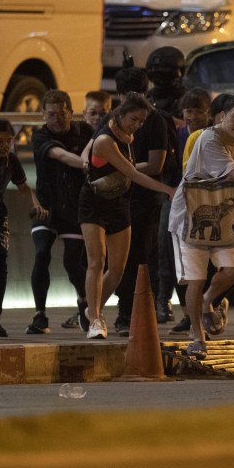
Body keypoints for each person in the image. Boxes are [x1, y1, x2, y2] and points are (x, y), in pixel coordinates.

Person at [79, 92, 176, 339]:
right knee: (97, 260)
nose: (138, 125)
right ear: (120, 114)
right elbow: (133, 173)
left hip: (120, 203)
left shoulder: (128, 135)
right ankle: (96, 321)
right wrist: (167, 189)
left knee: (119, 270)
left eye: (142, 121)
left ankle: (92, 309)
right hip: (94, 202)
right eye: (134, 119)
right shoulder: (105, 140)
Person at [168, 95, 234, 359]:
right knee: (195, 279)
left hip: (224, 216)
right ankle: (198, 336)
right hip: (191, 215)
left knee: (232, 269)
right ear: (222, 116)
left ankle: (207, 300)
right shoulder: (209, 139)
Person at [109, 67, 174, 336]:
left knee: (141, 257)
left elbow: (156, 163)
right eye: (128, 96)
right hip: (116, 197)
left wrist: (123, 167)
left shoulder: (155, 120)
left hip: (146, 200)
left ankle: (132, 313)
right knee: (115, 260)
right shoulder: (112, 121)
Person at [30, 90, 94, 334]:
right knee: (41, 253)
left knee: (72, 263)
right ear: (43, 115)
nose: (56, 119)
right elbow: (62, 156)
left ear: (71, 112)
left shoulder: (85, 133)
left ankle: (83, 302)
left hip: (75, 208)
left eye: (61, 114)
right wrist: (89, 165)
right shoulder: (40, 137)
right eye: (51, 114)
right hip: (47, 207)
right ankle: (40, 314)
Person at [0, 118, 47, 337]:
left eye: (9, 140)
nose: (4, 145)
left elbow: (24, 187)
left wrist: (35, 204)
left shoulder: (11, 161)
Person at [156, 88, 211, 325]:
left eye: (199, 111)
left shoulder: (210, 136)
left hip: (202, 201)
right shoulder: (176, 134)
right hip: (175, 197)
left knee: (197, 259)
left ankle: (196, 312)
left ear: (207, 113)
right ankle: (166, 302)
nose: (193, 116)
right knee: (166, 248)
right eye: (189, 111)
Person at [145, 46, 186, 119]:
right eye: (156, 74)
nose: (159, 79)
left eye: (163, 74)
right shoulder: (148, 97)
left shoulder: (185, 100)